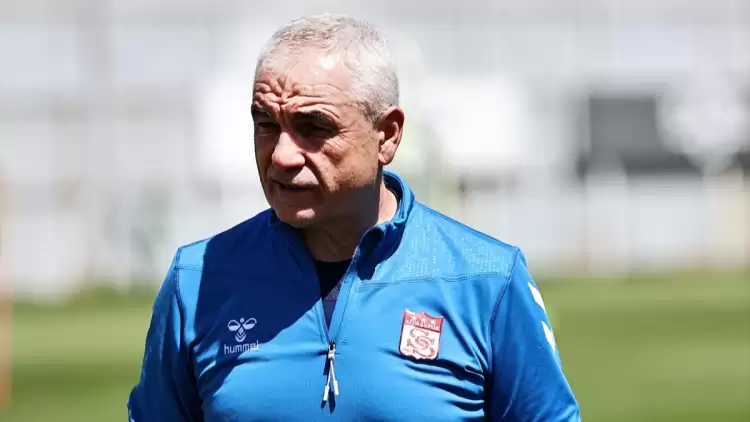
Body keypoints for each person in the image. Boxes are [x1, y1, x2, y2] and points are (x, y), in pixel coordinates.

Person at [127, 13, 580, 421]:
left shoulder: (487, 280)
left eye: (314, 127)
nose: (282, 155)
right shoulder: (198, 278)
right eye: (266, 124)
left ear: (387, 135)